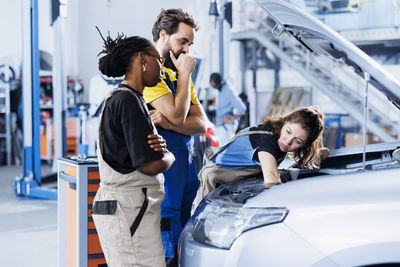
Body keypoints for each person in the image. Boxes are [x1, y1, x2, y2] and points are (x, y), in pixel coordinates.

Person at [91, 29, 175, 267]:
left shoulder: (129, 98)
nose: (162, 68)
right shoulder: (127, 101)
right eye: (159, 61)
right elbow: (150, 164)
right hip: (128, 211)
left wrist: (161, 151)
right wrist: (169, 157)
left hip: (129, 211)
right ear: (143, 59)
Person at [143, 8, 207, 265]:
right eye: (183, 41)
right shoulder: (149, 72)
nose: (187, 50)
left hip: (186, 164)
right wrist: (186, 75)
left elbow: (201, 122)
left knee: (183, 216)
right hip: (164, 166)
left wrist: (172, 121)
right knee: (167, 220)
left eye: (190, 43)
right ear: (163, 35)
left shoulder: (177, 74)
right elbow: (180, 115)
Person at [194, 105, 329, 207]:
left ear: (305, 144)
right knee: (200, 225)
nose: (288, 141)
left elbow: (323, 151)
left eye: (298, 141)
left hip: (239, 178)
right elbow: (272, 181)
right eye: (288, 132)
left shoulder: (281, 138)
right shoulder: (266, 140)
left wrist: (319, 151)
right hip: (214, 178)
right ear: (285, 121)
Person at [209, 72, 246, 145]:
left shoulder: (228, 90)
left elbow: (241, 108)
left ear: (219, 83)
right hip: (220, 127)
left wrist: (232, 118)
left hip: (225, 129)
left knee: (224, 152)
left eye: (214, 86)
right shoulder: (220, 89)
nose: (213, 88)